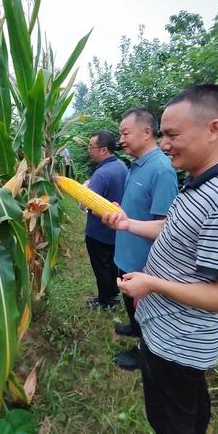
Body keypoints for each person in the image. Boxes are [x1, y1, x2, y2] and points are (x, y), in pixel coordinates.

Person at [104, 84, 218, 434]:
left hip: (180, 343)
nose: (164, 144)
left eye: (172, 134)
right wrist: (128, 223)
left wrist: (152, 284)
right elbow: (174, 227)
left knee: (176, 422)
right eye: (162, 134)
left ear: (213, 129)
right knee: (175, 414)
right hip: (165, 332)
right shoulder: (202, 182)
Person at [113, 108, 178, 370]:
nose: (121, 140)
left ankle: (144, 351)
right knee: (130, 301)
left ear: (147, 132)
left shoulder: (162, 170)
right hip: (126, 252)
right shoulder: (136, 165)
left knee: (147, 308)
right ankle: (134, 326)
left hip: (144, 260)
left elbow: (165, 226)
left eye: (125, 133)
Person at [84, 131, 128, 309]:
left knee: (100, 266)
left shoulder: (101, 174)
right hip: (116, 229)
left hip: (99, 231)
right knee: (111, 263)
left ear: (103, 150)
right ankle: (114, 293)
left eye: (91, 147)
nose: (89, 150)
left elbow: (88, 203)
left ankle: (105, 300)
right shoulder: (121, 166)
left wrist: (84, 190)